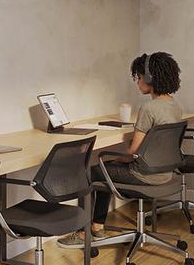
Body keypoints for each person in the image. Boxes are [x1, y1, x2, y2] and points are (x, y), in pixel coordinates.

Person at [58, 51, 183, 247]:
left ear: (150, 78)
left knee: (91, 172)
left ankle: (83, 234)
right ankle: (97, 226)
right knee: (105, 169)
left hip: (145, 175)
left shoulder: (148, 109)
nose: (137, 82)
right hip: (164, 173)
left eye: (139, 77)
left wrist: (118, 159)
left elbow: (133, 153)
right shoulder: (174, 105)